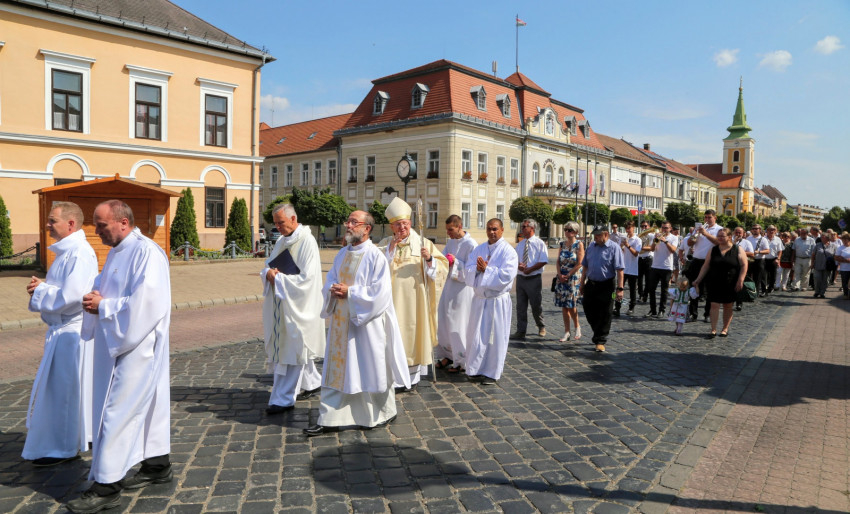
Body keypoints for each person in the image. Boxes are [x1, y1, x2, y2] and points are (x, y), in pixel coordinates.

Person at [68, 201, 172, 514]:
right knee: (150, 407)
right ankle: (157, 465)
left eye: (101, 225)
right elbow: (108, 285)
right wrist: (93, 294)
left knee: (116, 412)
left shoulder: (147, 252)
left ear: (123, 222)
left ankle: (106, 487)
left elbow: (147, 303)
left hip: (138, 344)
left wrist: (104, 306)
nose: (96, 231)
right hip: (120, 340)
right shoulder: (117, 251)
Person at [304, 211, 410, 436]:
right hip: (341, 323)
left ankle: (379, 413)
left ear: (367, 229)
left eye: (354, 222)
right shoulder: (342, 253)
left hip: (365, 326)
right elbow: (331, 279)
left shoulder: (375, 256)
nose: (348, 225)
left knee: (368, 369)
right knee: (338, 370)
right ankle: (329, 417)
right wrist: (332, 289)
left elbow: (381, 293)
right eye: (348, 221)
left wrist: (351, 293)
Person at [23, 201, 97, 467]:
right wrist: (43, 286)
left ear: (71, 224)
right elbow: (65, 288)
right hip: (62, 333)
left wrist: (41, 291)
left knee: (63, 394)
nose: (47, 225)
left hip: (70, 335)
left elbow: (73, 296)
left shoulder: (79, 253)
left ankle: (60, 448)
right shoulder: (68, 251)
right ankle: (63, 441)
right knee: (60, 392)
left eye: (52, 220)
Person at [377, 198, 448, 391]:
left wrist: (430, 259)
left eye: (405, 223)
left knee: (413, 335)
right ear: (391, 227)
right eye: (398, 224)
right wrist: (390, 251)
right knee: (391, 336)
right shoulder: (384, 245)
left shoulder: (423, 243)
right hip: (390, 302)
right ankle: (392, 377)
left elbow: (442, 268)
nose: (402, 227)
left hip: (415, 302)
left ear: (410, 223)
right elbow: (374, 268)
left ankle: (411, 378)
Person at [260, 204, 325, 414]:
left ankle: (282, 398)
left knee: (292, 349)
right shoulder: (282, 241)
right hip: (282, 303)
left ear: (293, 219)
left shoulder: (307, 241)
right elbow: (269, 265)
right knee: (296, 347)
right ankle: (312, 382)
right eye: (275, 223)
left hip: (299, 305)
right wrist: (268, 273)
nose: (278, 227)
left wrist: (278, 278)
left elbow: (308, 279)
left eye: (281, 223)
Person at [464, 218, 518, 384]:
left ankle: (492, 372)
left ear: (502, 230)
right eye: (489, 229)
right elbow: (468, 269)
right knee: (476, 336)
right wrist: (477, 269)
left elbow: (506, 276)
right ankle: (475, 368)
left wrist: (487, 270)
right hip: (480, 300)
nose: (491, 232)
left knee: (495, 338)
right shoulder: (479, 249)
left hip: (496, 301)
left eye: (495, 229)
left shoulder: (509, 252)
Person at [436, 215, 477, 373]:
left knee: (458, 323)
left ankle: (461, 360)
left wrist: (456, 263)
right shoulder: (451, 242)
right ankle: (449, 356)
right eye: (447, 230)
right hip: (448, 288)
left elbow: (472, 270)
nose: (448, 233)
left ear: (460, 226)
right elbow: (442, 259)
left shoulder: (471, 245)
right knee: (445, 321)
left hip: (462, 290)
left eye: (451, 230)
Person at [692, 228, 748, 338]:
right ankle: (713, 329)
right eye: (719, 236)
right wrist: (698, 279)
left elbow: (744, 265)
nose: (720, 238)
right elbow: (706, 266)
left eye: (722, 236)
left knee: (728, 305)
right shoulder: (713, 250)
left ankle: (725, 329)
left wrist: (741, 279)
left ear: (729, 237)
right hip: (714, 281)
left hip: (731, 281)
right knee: (714, 304)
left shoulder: (737, 249)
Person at [579, 226, 625, 352]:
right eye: (595, 235)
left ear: (606, 234)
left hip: (607, 285)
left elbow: (620, 270)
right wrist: (582, 284)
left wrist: (620, 289)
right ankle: (597, 332)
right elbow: (585, 267)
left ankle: (600, 340)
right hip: (591, 283)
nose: (596, 237)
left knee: (606, 312)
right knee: (588, 309)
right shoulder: (591, 247)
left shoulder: (614, 248)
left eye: (598, 235)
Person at [512, 218, 549, 338]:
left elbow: (543, 260)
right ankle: (521, 330)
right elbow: (514, 259)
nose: (522, 229)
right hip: (521, 278)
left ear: (532, 228)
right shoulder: (521, 244)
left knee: (536, 305)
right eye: (522, 227)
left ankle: (541, 326)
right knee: (520, 306)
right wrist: (519, 265)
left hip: (534, 278)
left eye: (524, 227)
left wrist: (530, 269)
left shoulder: (539, 243)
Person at [685, 210, 722, 323]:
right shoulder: (699, 229)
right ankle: (693, 313)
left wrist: (706, 233)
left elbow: (719, 242)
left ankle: (707, 314)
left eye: (709, 217)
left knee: (710, 289)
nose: (707, 219)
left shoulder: (719, 229)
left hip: (711, 262)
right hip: (696, 261)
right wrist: (695, 235)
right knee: (694, 287)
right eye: (705, 217)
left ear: (715, 218)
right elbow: (689, 243)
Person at [554, 221, 584, 342]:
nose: (567, 232)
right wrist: (559, 274)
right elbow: (558, 261)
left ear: (576, 232)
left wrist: (568, 274)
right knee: (564, 306)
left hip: (573, 278)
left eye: (570, 230)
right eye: (565, 229)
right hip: (561, 278)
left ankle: (577, 327)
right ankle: (567, 331)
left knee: (571, 305)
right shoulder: (562, 244)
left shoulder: (579, 244)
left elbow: (580, 263)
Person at [645, 221, 678, 318]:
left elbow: (673, 250)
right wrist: (655, 240)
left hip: (666, 267)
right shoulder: (657, 236)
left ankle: (661, 310)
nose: (664, 229)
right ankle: (653, 310)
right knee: (651, 289)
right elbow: (652, 249)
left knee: (664, 290)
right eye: (663, 227)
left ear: (670, 228)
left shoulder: (674, 238)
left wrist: (665, 241)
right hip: (655, 266)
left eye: (666, 228)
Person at [616, 221, 641, 316]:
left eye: (629, 228)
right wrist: (621, 246)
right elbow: (618, 251)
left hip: (632, 268)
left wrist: (628, 245)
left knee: (632, 290)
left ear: (633, 228)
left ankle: (631, 307)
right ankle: (617, 307)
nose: (627, 230)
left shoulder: (637, 240)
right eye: (626, 228)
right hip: (623, 267)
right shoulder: (623, 238)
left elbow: (636, 254)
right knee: (618, 288)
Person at [745, 224, 770, 297]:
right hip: (750, 259)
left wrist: (759, 252)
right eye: (753, 228)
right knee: (748, 276)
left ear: (760, 230)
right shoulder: (748, 238)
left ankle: (755, 293)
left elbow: (767, 251)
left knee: (757, 278)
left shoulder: (763, 239)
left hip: (759, 260)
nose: (754, 230)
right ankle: (748, 291)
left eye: (756, 228)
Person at [790, 227, 815, 292]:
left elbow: (813, 252)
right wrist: (792, 259)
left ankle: (804, 287)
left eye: (804, 233)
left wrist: (813, 261)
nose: (802, 234)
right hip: (798, 258)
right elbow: (794, 250)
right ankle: (796, 286)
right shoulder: (797, 239)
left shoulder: (811, 240)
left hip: (807, 259)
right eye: (801, 233)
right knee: (796, 272)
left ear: (807, 233)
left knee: (805, 274)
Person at [811, 232, 834, 299]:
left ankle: (822, 293)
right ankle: (817, 291)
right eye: (821, 237)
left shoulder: (833, 246)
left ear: (827, 238)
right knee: (817, 278)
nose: (821, 238)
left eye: (823, 237)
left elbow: (835, 256)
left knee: (826, 280)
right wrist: (812, 263)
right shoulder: (817, 245)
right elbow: (813, 255)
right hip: (818, 265)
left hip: (828, 266)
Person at [637, 221, 654, 302]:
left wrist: (641, 248)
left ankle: (645, 295)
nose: (643, 228)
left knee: (648, 279)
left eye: (645, 226)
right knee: (639, 279)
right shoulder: (639, 236)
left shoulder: (651, 235)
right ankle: (640, 294)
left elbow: (652, 248)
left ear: (649, 226)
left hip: (648, 258)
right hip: (640, 258)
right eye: (642, 226)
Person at [763, 225, 784, 294]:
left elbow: (780, 250)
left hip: (773, 259)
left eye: (773, 230)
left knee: (773, 274)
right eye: (770, 230)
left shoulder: (778, 239)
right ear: (767, 230)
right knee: (764, 274)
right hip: (764, 259)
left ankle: (771, 287)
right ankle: (764, 287)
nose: (771, 231)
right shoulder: (763, 239)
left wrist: (778, 259)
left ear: (775, 231)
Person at [834, 232, 850, 299]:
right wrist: (845, 260)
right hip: (844, 268)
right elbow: (836, 257)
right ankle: (846, 294)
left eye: (846, 239)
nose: (844, 241)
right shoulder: (840, 248)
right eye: (843, 240)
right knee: (844, 282)